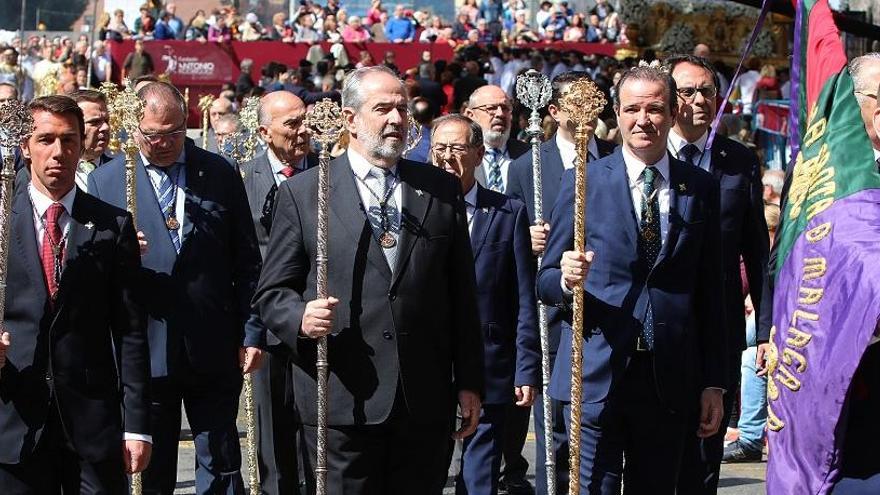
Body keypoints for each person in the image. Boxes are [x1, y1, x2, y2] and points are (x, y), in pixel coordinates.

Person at [253, 66, 484, 494]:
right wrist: (299, 317)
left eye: (402, 108)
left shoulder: (439, 190)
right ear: (349, 119)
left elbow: (462, 296)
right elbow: (271, 293)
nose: (397, 119)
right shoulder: (305, 193)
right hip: (342, 396)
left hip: (424, 399)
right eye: (382, 109)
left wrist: (469, 381)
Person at [537, 62, 726, 493]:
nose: (644, 120)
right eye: (633, 109)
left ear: (673, 112)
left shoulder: (698, 187)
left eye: (655, 109)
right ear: (618, 115)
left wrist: (714, 382)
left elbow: (712, 292)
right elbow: (545, 282)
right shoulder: (583, 182)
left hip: (669, 378)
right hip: (596, 369)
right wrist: (565, 277)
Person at [87, 82, 263, 494]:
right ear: (134, 129)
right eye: (153, 134)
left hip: (212, 343)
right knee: (153, 468)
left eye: (175, 132)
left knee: (220, 460)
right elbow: (94, 274)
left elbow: (247, 259)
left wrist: (252, 331)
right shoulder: (108, 181)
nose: (164, 143)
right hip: (145, 347)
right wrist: (118, 252)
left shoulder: (218, 173)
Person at [0, 95, 151, 493]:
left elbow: (131, 331)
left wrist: (136, 425)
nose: (58, 152)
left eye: (69, 140)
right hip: (13, 421)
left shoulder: (112, 225)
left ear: (82, 144)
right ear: (25, 146)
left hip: (91, 425)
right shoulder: (1, 219)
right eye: (46, 139)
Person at [506, 71, 617, 495]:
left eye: (593, 100)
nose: (585, 111)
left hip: (603, 315)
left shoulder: (614, 157)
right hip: (550, 315)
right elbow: (512, 250)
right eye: (574, 102)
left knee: (598, 442)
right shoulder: (527, 166)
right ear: (553, 110)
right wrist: (527, 238)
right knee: (553, 435)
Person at [665, 54, 770, 493]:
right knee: (654, 451)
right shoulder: (639, 157)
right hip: (657, 327)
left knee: (706, 453)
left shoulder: (738, 161)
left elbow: (758, 252)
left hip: (719, 329)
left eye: (707, 90)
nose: (698, 100)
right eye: (687, 91)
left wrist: (765, 330)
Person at [430, 114, 540, 495]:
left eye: (457, 148)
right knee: (426, 471)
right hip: (429, 366)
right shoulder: (414, 212)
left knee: (479, 479)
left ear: (478, 154)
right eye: (439, 148)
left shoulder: (507, 213)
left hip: (490, 364)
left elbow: (524, 298)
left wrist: (527, 369)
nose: (446, 157)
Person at [239, 91, 317, 495]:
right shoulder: (241, 180)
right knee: (272, 429)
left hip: (317, 319)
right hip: (265, 326)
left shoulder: (329, 172)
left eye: (305, 120)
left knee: (317, 427)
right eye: (291, 124)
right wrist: (248, 332)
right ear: (264, 132)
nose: (302, 131)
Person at [464, 85, 529, 193]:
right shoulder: (458, 155)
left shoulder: (529, 154)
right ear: (470, 115)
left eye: (505, 108)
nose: (500, 114)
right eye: (491, 108)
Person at [70, 90, 113, 192]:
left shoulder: (122, 171)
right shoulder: (56, 170)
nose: (105, 127)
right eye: (94, 122)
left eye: (106, 121)